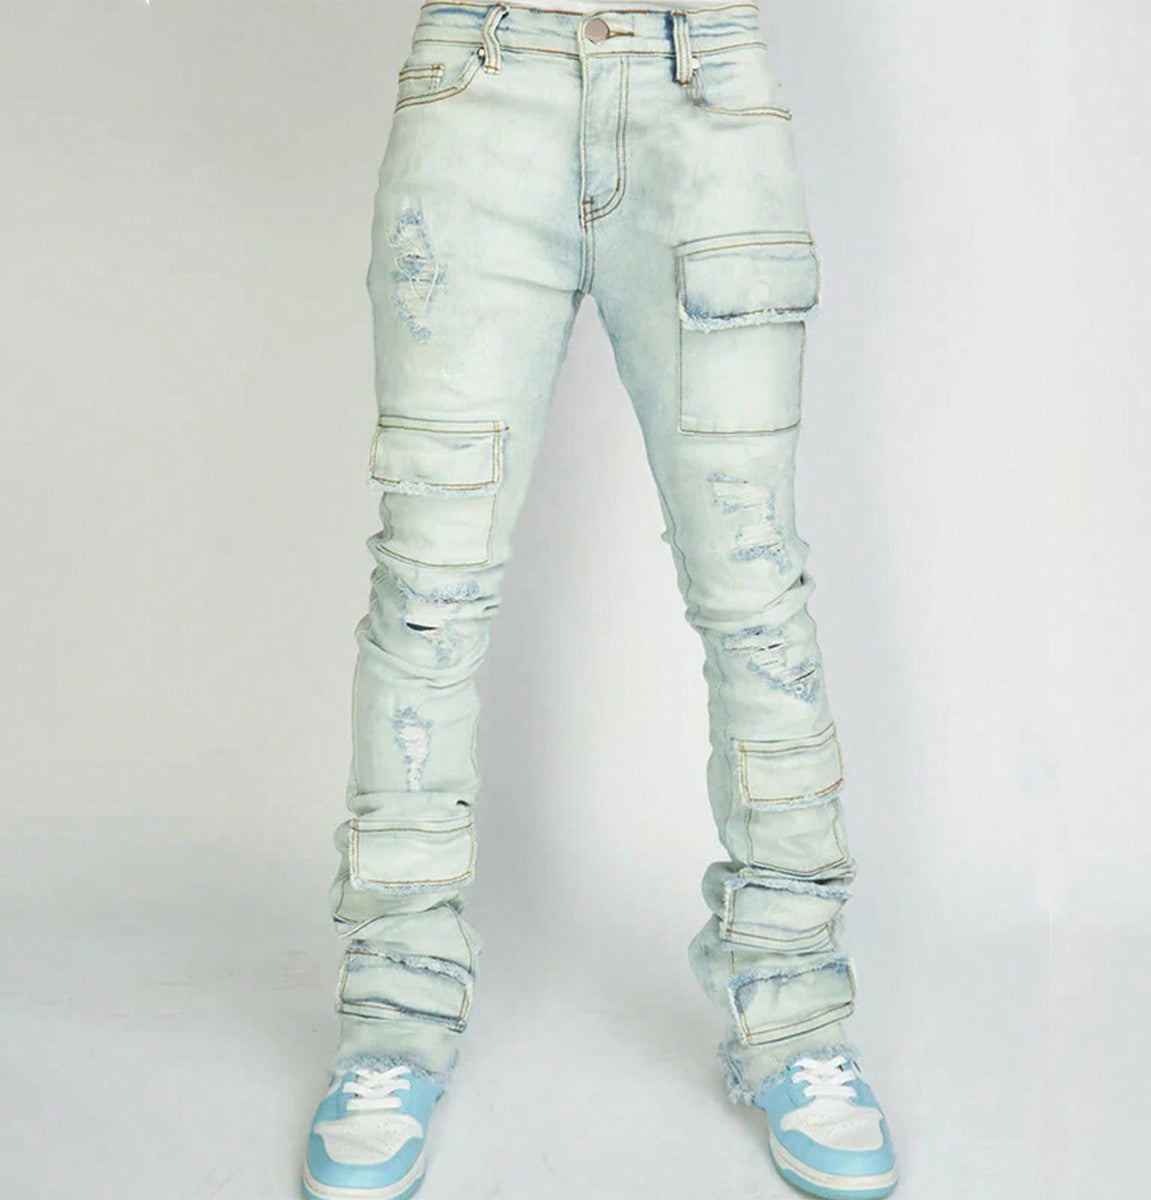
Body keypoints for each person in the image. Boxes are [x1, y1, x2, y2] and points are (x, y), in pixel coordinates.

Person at [301, 3, 901, 1198]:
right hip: (480, 77)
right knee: (428, 592)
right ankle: (392, 1023)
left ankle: (794, 1010)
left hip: (705, 86)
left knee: (753, 587)